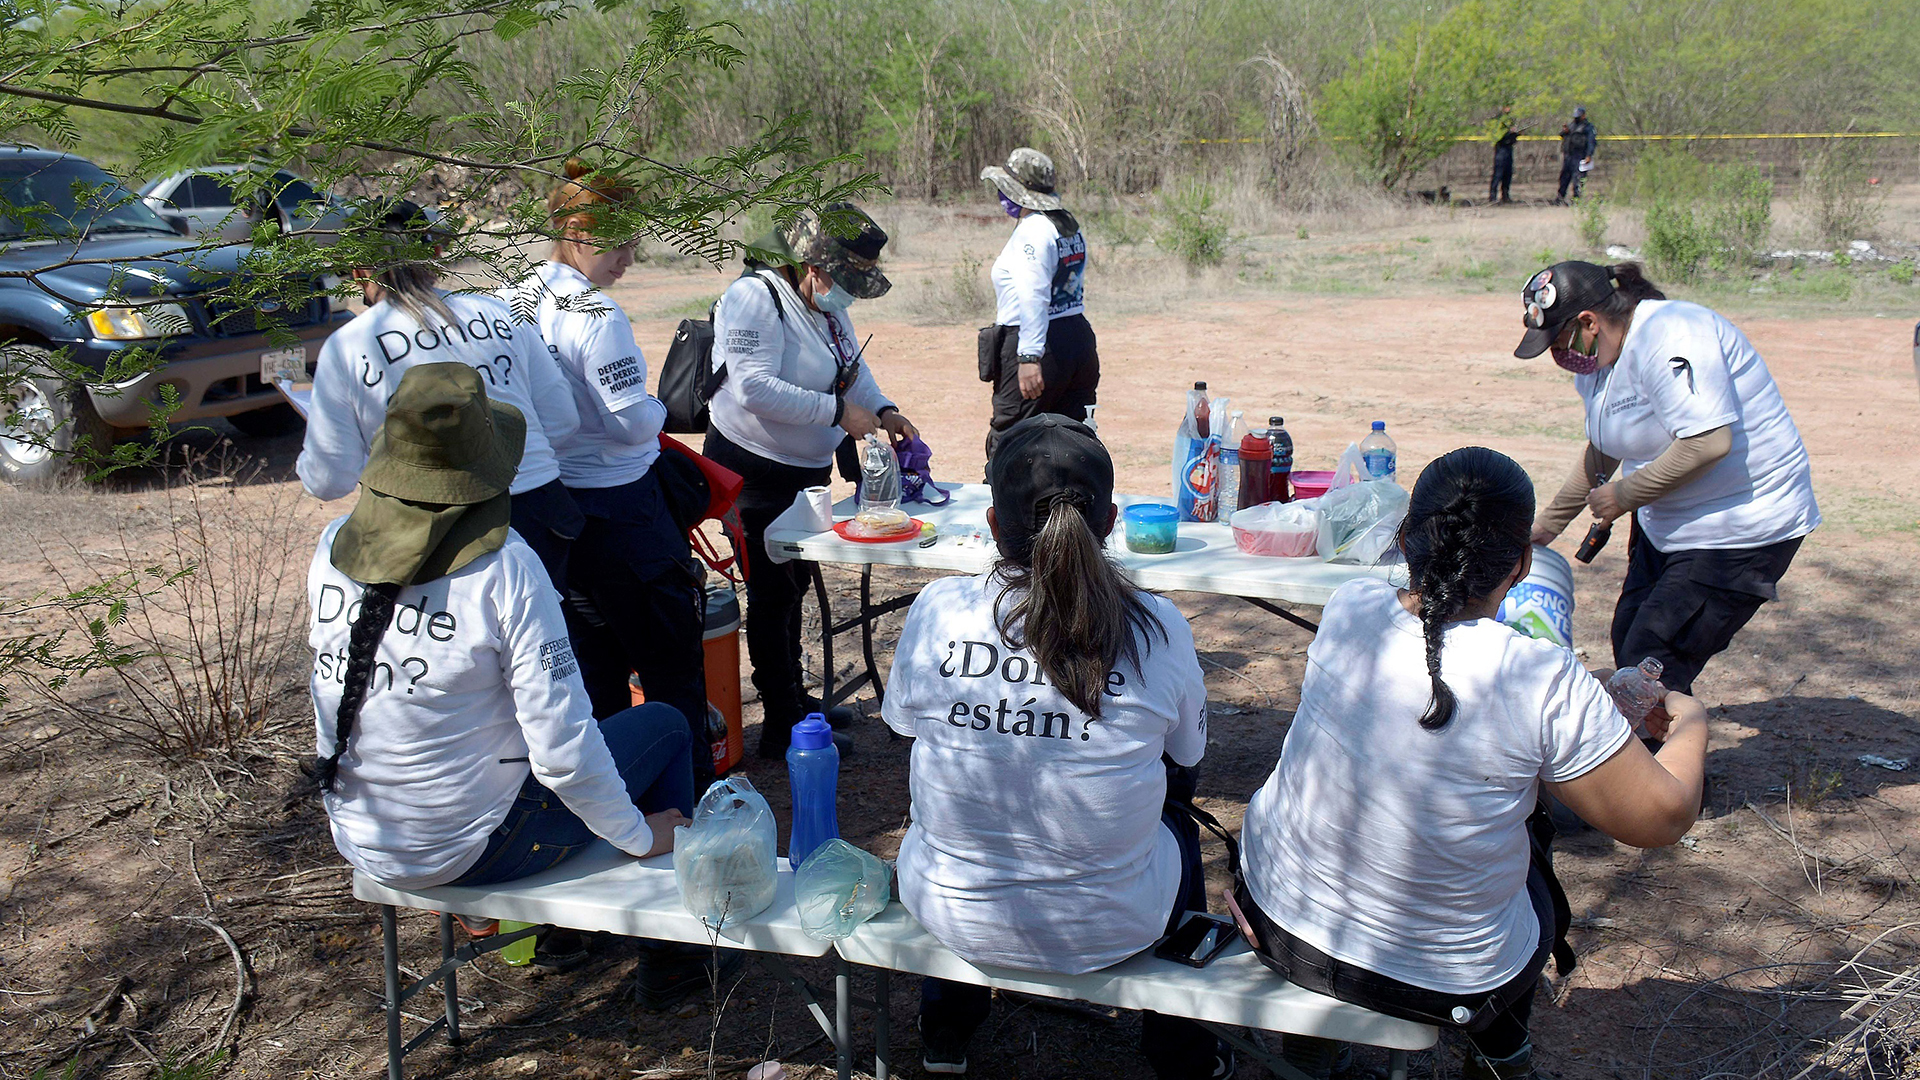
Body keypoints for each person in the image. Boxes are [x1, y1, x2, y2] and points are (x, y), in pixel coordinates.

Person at [1237, 447, 1711, 1080]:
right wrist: (1691, 723)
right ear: (1518, 566)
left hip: (1278, 920)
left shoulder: (1350, 607)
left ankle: (1314, 1046)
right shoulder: (1538, 677)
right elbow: (1663, 816)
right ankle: (1501, 1053)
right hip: (1438, 978)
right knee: (1534, 854)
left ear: (1404, 540)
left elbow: (1447, 694)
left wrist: (1586, 708)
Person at [306, 363, 693, 972]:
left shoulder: (333, 546)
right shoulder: (505, 566)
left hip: (365, 837)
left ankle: (552, 931)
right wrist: (644, 835)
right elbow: (563, 750)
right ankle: (674, 962)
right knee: (667, 724)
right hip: (473, 844)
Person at [881, 415, 1232, 1079]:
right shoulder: (1157, 626)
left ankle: (944, 1035)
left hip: (949, 907)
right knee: (1176, 812)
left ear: (991, 524)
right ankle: (1181, 1050)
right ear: (1110, 523)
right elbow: (1186, 758)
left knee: (964, 780)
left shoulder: (938, 609)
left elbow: (902, 728)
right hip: (1115, 925)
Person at [502, 160, 712, 789]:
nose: (629, 257)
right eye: (620, 242)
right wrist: (658, 409)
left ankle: (619, 807)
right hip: (628, 515)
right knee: (671, 669)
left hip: (557, 509)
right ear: (575, 229)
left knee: (592, 673)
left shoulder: (515, 295)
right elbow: (628, 422)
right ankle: (695, 806)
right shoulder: (595, 314)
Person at [1518, 261, 1819, 695]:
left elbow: (1708, 442)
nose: (1557, 354)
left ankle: (1664, 761)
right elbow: (1606, 444)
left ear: (1589, 321)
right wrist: (1548, 524)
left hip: (1740, 526)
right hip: (1669, 522)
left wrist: (1623, 495)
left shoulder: (1675, 333)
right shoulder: (1602, 361)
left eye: (1559, 339)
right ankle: (1653, 749)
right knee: (1630, 639)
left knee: (1653, 659)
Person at [703, 203, 917, 759]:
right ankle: (782, 724)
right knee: (772, 595)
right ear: (811, 265)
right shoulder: (755, 298)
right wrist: (838, 413)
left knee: (795, 584)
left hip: (804, 474)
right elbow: (755, 388)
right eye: (843, 279)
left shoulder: (822, 306)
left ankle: (796, 698)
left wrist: (883, 409)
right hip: (751, 470)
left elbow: (853, 368)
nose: (846, 295)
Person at [297, 200, 584, 592]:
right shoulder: (499, 313)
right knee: (544, 641)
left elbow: (329, 480)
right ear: (435, 252)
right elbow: (563, 422)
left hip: (424, 529)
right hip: (538, 510)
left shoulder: (348, 346)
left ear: (358, 269)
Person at [978, 148, 1097, 463]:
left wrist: (1029, 356)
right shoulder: (1064, 222)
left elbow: (1034, 294)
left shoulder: (1032, 230)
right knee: (1073, 438)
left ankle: (1004, 511)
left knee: (1012, 440)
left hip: (1038, 343)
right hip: (1076, 336)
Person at [1555, 106, 1596, 204]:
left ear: (1583, 116)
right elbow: (1562, 135)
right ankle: (1560, 198)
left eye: (1578, 116)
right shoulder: (1571, 125)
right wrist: (1565, 131)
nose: (1576, 118)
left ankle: (1577, 199)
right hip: (1568, 156)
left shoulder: (1588, 127)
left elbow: (1591, 142)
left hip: (1580, 156)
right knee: (1564, 177)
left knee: (1578, 178)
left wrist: (1589, 155)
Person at [1489, 108, 1520, 205]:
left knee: (1508, 174)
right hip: (1501, 150)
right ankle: (1493, 196)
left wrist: (1515, 134)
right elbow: (1498, 136)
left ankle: (1505, 196)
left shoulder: (1510, 121)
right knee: (1498, 174)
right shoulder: (1498, 121)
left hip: (1509, 150)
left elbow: (1513, 139)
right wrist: (1508, 133)